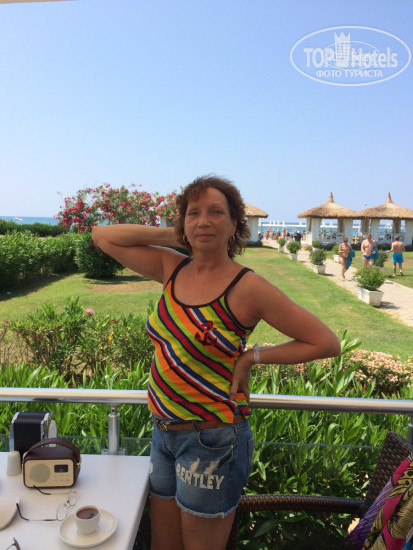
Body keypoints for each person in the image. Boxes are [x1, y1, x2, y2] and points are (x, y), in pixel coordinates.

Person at [92, 175, 341, 550]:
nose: (204, 221)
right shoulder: (172, 268)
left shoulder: (247, 287)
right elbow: (103, 236)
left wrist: (252, 357)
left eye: (216, 213)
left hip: (211, 440)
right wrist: (178, 234)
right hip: (163, 431)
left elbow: (325, 342)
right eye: (194, 213)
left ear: (235, 224)